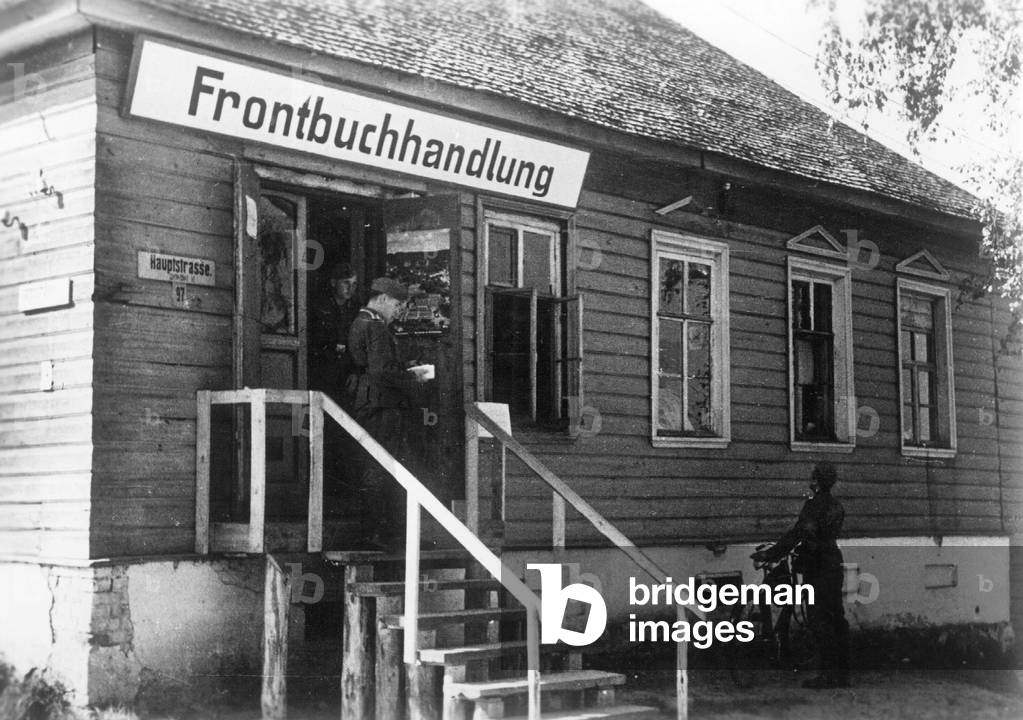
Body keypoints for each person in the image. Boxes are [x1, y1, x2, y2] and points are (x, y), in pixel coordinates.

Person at [345, 277, 431, 549]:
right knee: (383, 468)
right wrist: (411, 377)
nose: (398, 311)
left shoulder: (362, 322)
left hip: (370, 403)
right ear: (381, 299)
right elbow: (381, 371)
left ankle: (380, 533)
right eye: (396, 304)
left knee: (378, 466)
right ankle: (380, 534)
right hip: (381, 406)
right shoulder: (376, 327)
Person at [751, 461, 850, 689]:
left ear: (816, 481)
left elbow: (799, 533)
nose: (810, 482)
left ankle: (828, 675)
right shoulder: (836, 505)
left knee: (819, 620)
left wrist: (770, 554)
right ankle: (843, 674)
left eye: (813, 478)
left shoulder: (814, 505)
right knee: (837, 618)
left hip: (818, 567)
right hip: (834, 563)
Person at [309, 263, 361, 397]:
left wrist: (355, 372)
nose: (350, 288)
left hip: (346, 372)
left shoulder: (356, 310)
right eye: (346, 283)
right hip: (323, 371)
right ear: (333, 283)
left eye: (354, 284)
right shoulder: (318, 307)